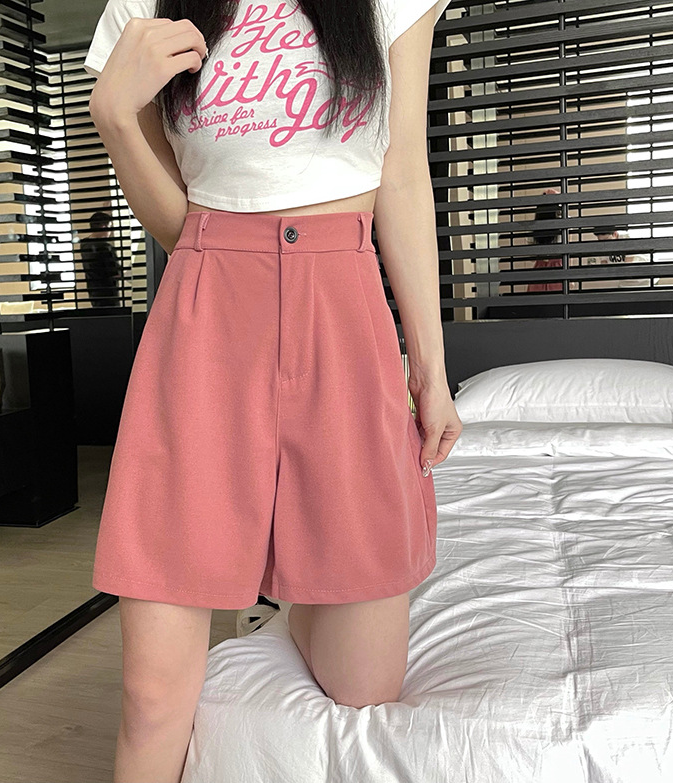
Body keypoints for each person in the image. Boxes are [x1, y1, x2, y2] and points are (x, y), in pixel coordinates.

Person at [84, 1, 461, 780]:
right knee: (150, 698)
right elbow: (179, 225)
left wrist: (428, 367)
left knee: (364, 685)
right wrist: (115, 122)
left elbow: (401, 174)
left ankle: (291, 593)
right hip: (207, 325)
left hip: (344, 322)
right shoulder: (143, 7)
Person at [79, 210, 122, 307]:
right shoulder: (106, 248)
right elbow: (116, 274)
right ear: (103, 227)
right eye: (109, 228)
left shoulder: (84, 244)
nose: (110, 232)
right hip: (109, 296)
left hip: (94, 294)